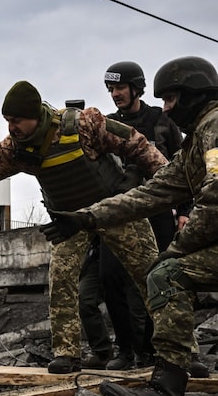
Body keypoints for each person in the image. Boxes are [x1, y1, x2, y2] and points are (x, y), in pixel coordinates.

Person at [0, 80, 167, 374]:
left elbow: (138, 145)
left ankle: (179, 350)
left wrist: (171, 187)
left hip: (115, 211)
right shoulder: (15, 149)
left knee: (153, 276)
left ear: (34, 115)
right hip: (69, 222)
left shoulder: (84, 124)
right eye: (7, 122)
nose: (11, 128)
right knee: (61, 280)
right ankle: (67, 353)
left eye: (16, 121)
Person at [41, 56, 218, 396]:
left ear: (194, 94)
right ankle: (164, 384)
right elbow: (154, 191)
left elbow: (215, 195)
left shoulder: (214, 126)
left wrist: (178, 248)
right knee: (151, 275)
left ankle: (167, 393)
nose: (167, 108)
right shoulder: (197, 138)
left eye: (171, 99)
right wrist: (88, 218)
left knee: (166, 274)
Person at [80, 61, 189, 371]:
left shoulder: (160, 121)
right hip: (120, 214)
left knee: (161, 279)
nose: (115, 94)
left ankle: (157, 351)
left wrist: (184, 212)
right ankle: (125, 351)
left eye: (120, 88)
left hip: (158, 213)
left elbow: (181, 168)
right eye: (110, 89)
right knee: (110, 279)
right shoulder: (108, 124)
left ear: (136, 88)